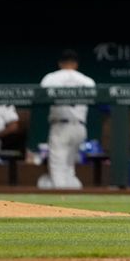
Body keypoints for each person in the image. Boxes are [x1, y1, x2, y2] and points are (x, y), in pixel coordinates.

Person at [37, 50, 95, 189]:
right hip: (80, 127)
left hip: (61, 126)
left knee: (58, 166)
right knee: (69, 167)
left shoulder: (51, 78)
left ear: (60, 63)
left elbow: (39, 96)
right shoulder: (87, 81)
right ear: (76, 64)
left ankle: (61, 200)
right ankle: (72, 199)